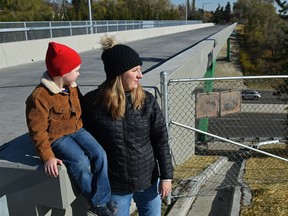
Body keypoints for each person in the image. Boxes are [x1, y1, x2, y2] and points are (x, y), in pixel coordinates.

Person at [81, 35, 174, 216]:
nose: (141, 75)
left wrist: (166, 176)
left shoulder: (147, 101)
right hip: (115, 187)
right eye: (135, 70)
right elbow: (81, 138)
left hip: (149, 182)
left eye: (140, 69)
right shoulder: (93, 103)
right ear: (119, 74)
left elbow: (161, 140)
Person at [25, 42, 117, 216]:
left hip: (77, 130)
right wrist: (47, 157)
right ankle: (98, 204)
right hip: (57, 137)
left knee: (100, 154)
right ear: (63, 72)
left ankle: (101, 199)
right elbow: (37, 131)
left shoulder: (72, 87)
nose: (79, 73)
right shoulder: (39, 97)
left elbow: (83, 107)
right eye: (76, 70)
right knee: (80, 162)